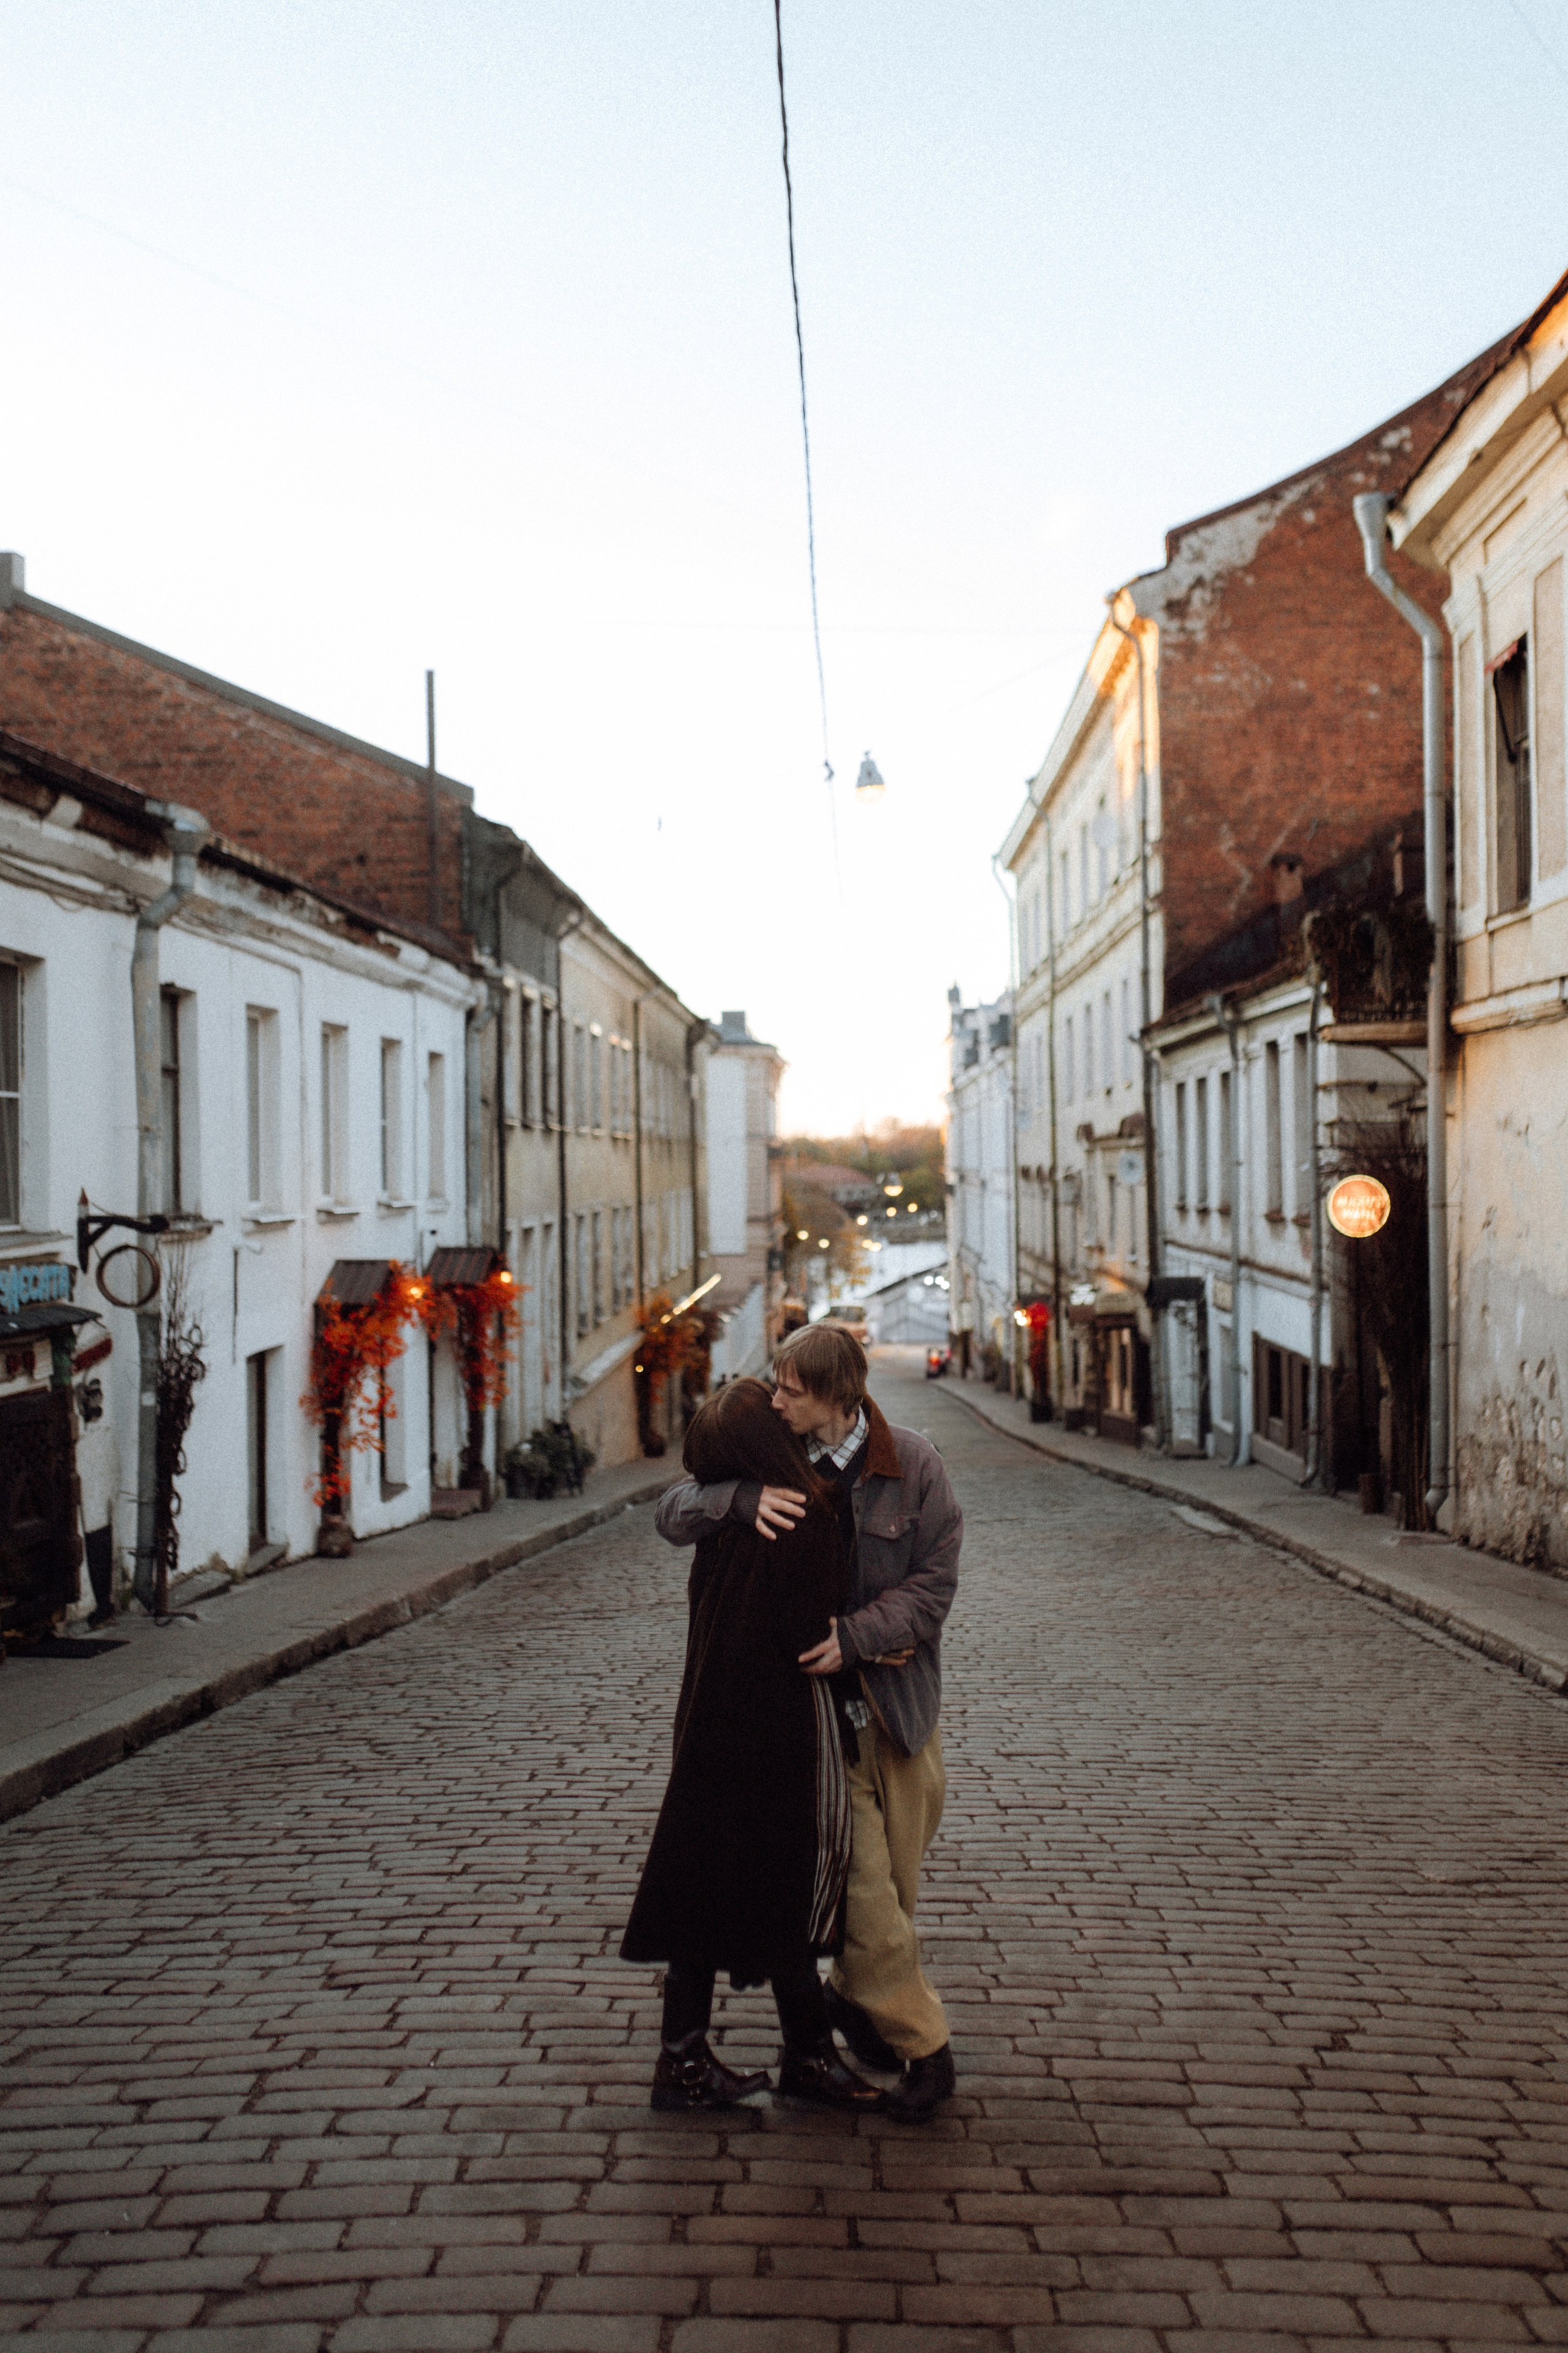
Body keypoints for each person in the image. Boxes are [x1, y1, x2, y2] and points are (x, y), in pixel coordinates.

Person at [657, 1324, 963, 2123]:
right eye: (776, 1383)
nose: (775, 1397)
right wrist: (736, 1499)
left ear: (839, 1397)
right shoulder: (770, 1461)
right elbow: (673, 1508)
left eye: (792, 1388)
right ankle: (926, 2048)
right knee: (860, 1893)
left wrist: (855, 1637)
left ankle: (843, 2014)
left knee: (887, 1889)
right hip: (808, 1720)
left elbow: (932, 1588)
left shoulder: (914, 1464)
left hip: (895, 1710)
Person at [623, 1377, 882, 2113]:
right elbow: (812, 1639)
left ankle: (685, 2059)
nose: (785, 1411)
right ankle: (804, 2056)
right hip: (773, 1727)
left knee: (702, 1884)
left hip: (709, 1720)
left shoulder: (732, 1516)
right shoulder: (795, 1515)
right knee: (784, 1887)